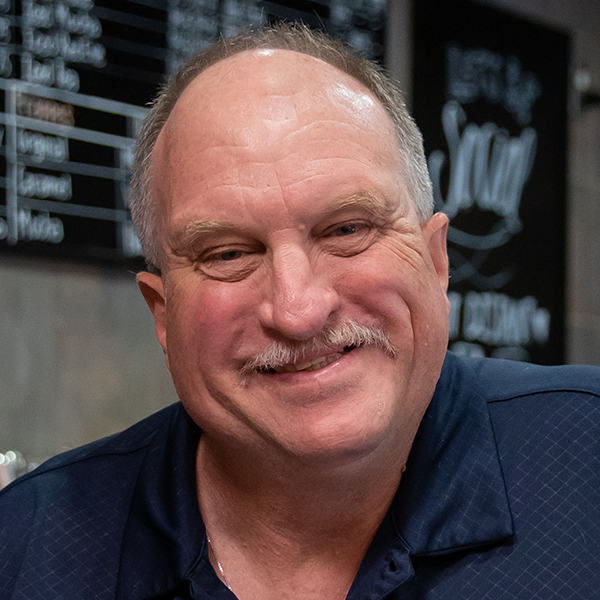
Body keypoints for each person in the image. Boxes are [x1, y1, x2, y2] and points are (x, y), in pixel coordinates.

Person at [1, 23, 599, 600]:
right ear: (162, 312)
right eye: (228, 254)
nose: (298, 311)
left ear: (436, 261)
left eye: (347, 229)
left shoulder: (586, 459)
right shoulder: (26, 548)